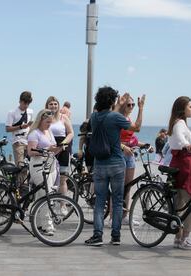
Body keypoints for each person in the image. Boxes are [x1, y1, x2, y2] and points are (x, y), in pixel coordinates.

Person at [85, 86, 144, 246]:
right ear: (112, 101)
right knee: (118, 201)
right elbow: (136, 127)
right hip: (117, 163)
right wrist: (141, 108)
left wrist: (118, 103)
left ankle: (97, 236)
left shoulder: (94, 117)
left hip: (100, 164)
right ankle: (115, 236)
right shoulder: (116, 118)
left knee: (100, 201)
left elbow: (109, 113)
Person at [168, 96, 191, 250]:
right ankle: (185, 238)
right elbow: (180, 140)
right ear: (183, 108)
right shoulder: (179, 123)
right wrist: (189, 145)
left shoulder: (176, 123)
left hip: (180, 163)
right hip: (185, 164)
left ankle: (178, 238)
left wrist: (187, 145)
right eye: (190, 106)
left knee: (181, 202)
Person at [27, 109, 63, 236]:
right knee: (46, 194)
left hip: (51, 164)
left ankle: (38, 224)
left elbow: (52, 150)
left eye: (51, 122)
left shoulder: (49, 132)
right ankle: (48, 225)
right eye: (47, 122)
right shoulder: (34, 133)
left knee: (42, 194)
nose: (49, 124)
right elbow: (30, 152)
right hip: (38, 165)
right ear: (41, 120)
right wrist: (47, 149)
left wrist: (58, 148)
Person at [118, 95, 150, 226]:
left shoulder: (128, 119)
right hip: (119, 153)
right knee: (118, 187)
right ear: (122, 105)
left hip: (130, 154)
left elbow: (133, 138)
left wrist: (145, 145)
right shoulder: (119, 118)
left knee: (127, 187)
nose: (131, 107)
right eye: (128, 105)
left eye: (133, 105)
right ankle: (113, 217)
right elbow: (115, 138)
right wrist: (141, 109)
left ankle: (125, 216)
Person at [46, 96, 74, 212]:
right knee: (49, 178)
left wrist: (63, 143)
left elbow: (71, 133)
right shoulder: (45, 118)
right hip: (49, 148)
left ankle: (63, 204)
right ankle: (49, 203)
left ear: (58, 105)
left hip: (62, 148)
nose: (53, 106)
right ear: (47, 106)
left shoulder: (64, 118)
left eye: (55, 104)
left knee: (62, 179)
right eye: (51, 104)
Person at [6, 91, 33, 183]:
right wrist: (21, 127)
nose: (26, 105)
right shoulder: (12, 112)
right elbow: (7, 128)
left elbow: (31, 126)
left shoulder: (30, 112)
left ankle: (24, 188)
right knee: (20, 168)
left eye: (28, 103)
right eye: (25, 102)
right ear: (20, 101)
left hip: (29, 142)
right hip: (18, 142)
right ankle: (20, 190)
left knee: (30, 166)